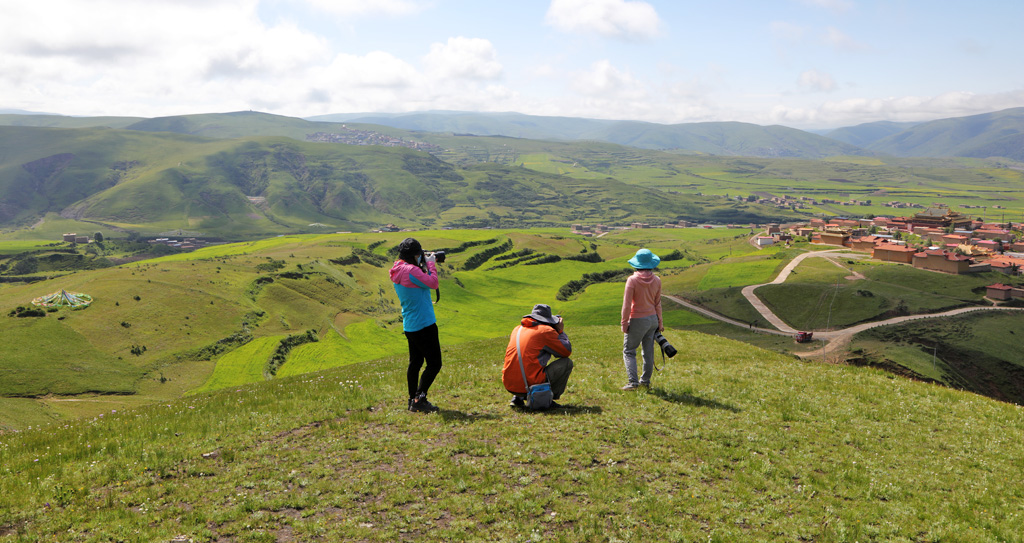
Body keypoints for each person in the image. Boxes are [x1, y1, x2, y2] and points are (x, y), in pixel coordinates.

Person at [389, 238, 442, 413]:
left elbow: (417, 281)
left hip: (410, 324)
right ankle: (420, 398)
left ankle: (412, 399)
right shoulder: (411, 270)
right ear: (414, 255)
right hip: (424, 324)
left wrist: (422, 265)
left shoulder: (398, 269)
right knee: (434, 363)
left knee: (416, 362)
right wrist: (431, 264)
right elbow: (433, 283)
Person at [502, 304, 573, 408]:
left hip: (509, 384)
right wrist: (560, 331)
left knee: (525, 362)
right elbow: (566, 351)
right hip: (529, 385)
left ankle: (518, 397)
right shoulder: (545, 331)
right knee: (566, 363)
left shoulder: (517, 329)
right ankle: (546, 398)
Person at [620, 248, 663, 391]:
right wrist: (660, 323)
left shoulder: (632, 280)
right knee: (648, 352)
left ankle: (633, 383)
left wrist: (624, 323)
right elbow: (658, 303)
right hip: (652, 319)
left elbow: (627, 305)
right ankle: (645, 381)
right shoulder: (657, 280)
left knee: (629, 351)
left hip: (637, 319)